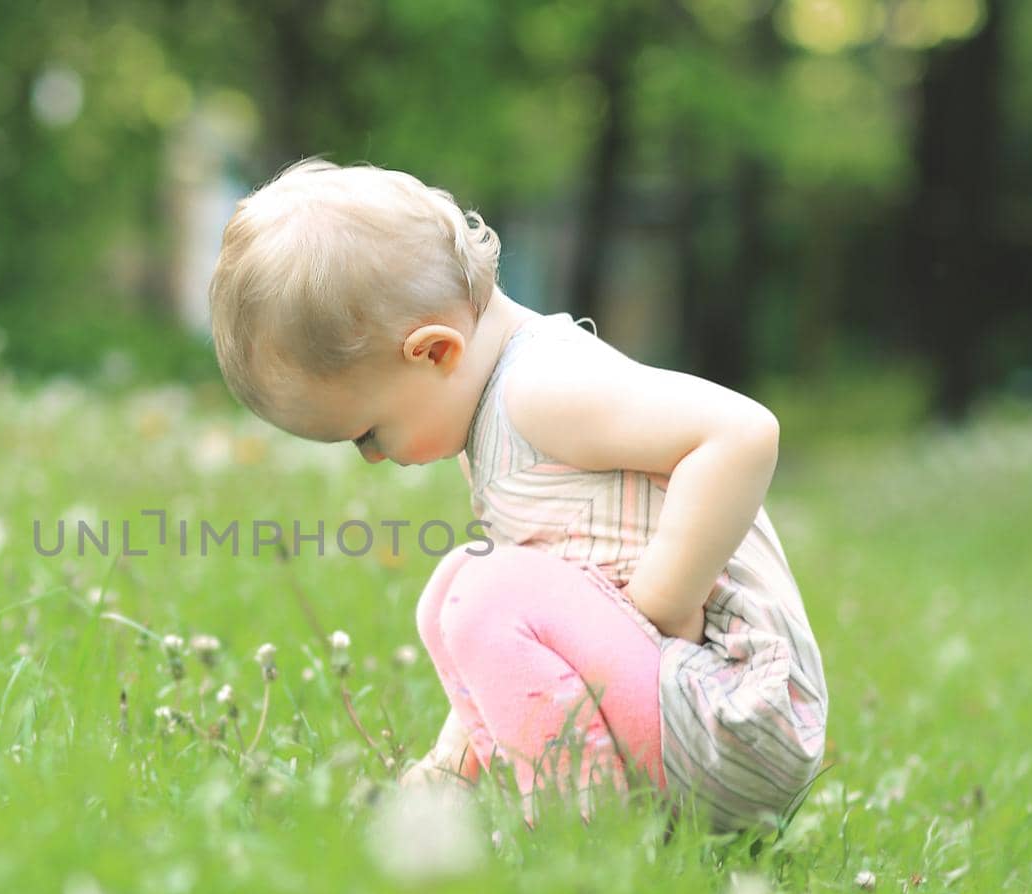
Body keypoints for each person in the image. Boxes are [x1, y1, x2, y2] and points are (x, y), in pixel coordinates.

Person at [207, 158, 828, 833]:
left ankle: (583, 833)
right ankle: (475, 789)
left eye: (367, 432)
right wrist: (452, 757)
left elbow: (740, 432)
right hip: (689, 707)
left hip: (735, 717)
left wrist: (662, 605)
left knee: (482, 591)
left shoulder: (540, 386)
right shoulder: (500, 405)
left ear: (435, 352)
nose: (377, 457)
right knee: (457, 585)